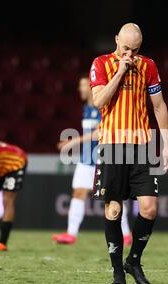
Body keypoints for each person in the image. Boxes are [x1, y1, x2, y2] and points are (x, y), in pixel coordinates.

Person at [89, 23, 168, 284]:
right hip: (112, 144)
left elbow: (158, 106)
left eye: (135, 50)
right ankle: (117, 272)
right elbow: (98, 101)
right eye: (126, 48)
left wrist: (166, 145)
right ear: (116, 40)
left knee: (149, 209)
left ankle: (133, 261)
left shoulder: (148, 66)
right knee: (114, 210)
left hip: (142, 145)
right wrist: (121, 70)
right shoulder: (101, 63)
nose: (130, 54)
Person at [52, 75, 132, 245]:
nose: (80, 89)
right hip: (86, 159)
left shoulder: (104, 106)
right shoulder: (86, 108)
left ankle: (126, 234)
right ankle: (71, 234)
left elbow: (100, 132)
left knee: (112, 198)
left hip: (105, 158)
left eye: (83, 85)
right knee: (78, 193)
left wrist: (74, 141)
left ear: (91, 87)